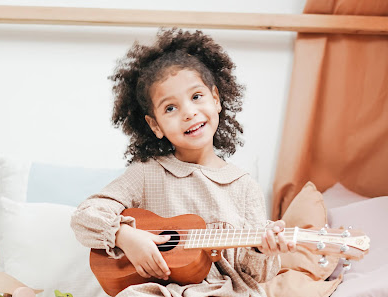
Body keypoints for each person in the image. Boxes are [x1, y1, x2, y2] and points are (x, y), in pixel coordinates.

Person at [71, 28, 296, 297]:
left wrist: (262, 250)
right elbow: (85, 217)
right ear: (155, 125)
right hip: (160, 290)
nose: (189, 113)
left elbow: (256, 274)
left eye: (196, 97)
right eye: (170, 108)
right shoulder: (147, 174)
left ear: (216, 99)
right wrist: (126, 236)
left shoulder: (244, 187)